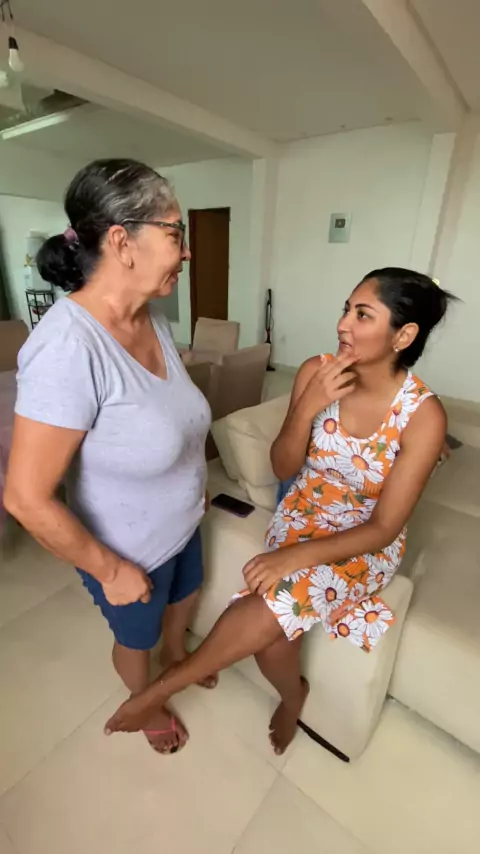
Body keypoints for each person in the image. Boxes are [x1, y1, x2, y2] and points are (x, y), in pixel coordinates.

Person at [103, 267, 457, 755]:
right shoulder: (316, 371)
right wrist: (308, 406)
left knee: (276, 607)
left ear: (404, 335)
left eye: (362, 314)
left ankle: (159, 692)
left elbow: (384, 527)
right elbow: (282, 466)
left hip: (364, 542)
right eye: (346, 309)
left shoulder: (423, 415)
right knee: (275, 633)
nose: (343, 324)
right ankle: (293, 695)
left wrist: (294, 558)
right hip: (302, 514)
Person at [4, 159, 215, 756]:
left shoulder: (152, 318)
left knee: (185, 600)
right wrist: (110, 570)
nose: (186, 251)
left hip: (182, 523)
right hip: (129, 550)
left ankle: (177, 656)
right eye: (175, 233)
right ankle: (147, 702)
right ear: (122, 242)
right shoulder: (67, 348)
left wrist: (191, 483)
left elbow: (166, 415)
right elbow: (24, 498)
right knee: (136, 640)